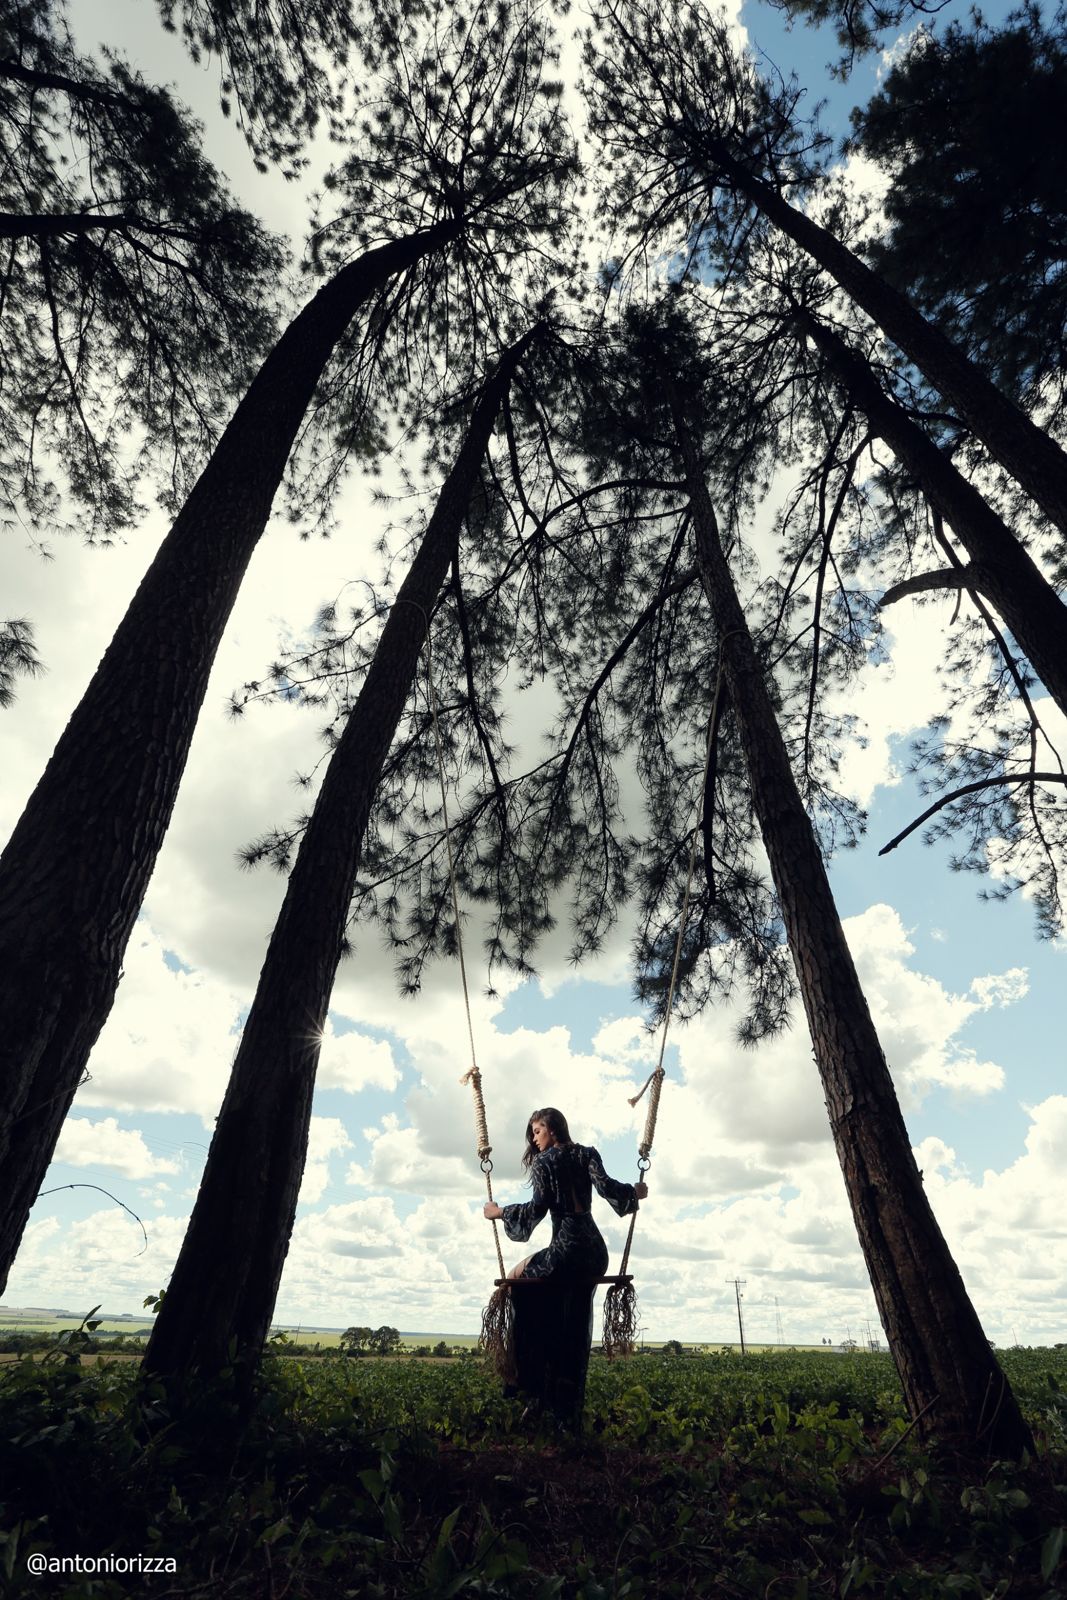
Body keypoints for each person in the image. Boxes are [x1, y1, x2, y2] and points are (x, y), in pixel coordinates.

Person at [482, 1107, 648, 1431]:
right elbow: (607, 1187)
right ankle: (564, 1409)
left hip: (565, 1251)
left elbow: (535, 1210)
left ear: (553, 1129)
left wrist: (498, 1212)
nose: (534, 1138)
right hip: (595, 1252)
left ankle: (526, 1383)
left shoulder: (545, 1162)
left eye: (537, 1130)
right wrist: (633, 1193)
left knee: (516, 1282)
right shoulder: (588, 1153)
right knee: (572, 1322)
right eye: (532, 1132)